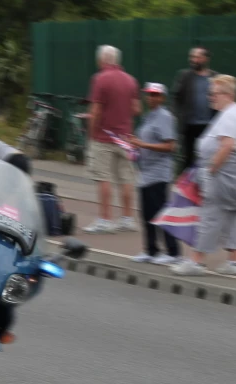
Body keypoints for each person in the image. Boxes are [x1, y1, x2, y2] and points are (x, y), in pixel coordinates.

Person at [171, 75, 236, 277]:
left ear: (227, 94)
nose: (210, 97)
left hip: (225, 174)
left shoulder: (229, 115)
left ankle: (196, 261)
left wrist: (211, 170)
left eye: (213, 94)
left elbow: (227, 145)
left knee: (210, 216)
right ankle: (235, 263)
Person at [82, 45, 141, 235]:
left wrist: (91, 132)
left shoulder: (100, 79)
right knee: (126, 178)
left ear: (102, 60)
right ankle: (127, 218)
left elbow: (96, 111)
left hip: (103, 136)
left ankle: (105, 219)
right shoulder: (131, 81)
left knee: (103, 177)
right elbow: (136, 109)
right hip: (125, 137)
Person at [126, 83, 181, 265]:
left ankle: (173, 253)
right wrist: (134, 148)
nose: (151, 98)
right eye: (149, 95)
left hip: (159, 173)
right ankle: (151, 250)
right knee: (146, 214)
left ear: (162, 98)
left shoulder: (164, 117)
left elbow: (170, 145)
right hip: (145, 173)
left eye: (155, 95)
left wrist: (143, 145)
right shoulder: (149, 116)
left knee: (162, 213)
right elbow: (144, 141)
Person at [171, 47, 219, 172]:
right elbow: (176, 97)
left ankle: (206, 182)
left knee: (208, 155)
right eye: (192, 57)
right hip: (189, 124)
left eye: (197, 57)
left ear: (205, 59)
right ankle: (186, 187)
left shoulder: (215, 77)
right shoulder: (185, 76)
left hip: (209, 125)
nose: (193, 60)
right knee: (188, 158)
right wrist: (176, 115)